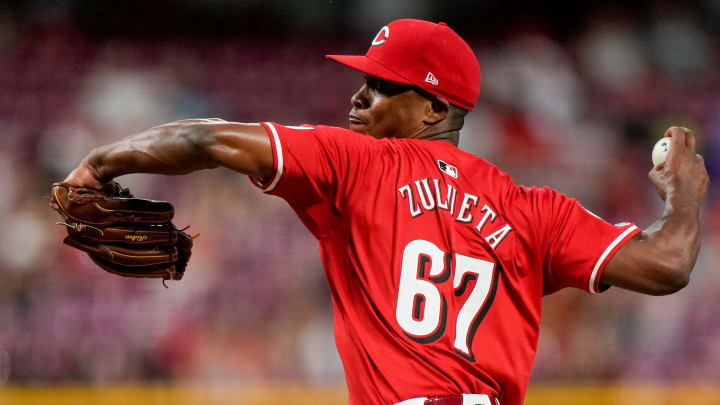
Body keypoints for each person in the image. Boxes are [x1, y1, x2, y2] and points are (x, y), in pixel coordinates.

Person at [61, 19, 708, 405]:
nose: (358, 97)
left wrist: (98, 163)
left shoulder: (359, 163)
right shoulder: (532, 209)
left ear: (435, 109)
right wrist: (686, 192)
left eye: (381, 86)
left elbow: (206, 138)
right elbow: (667, 263)